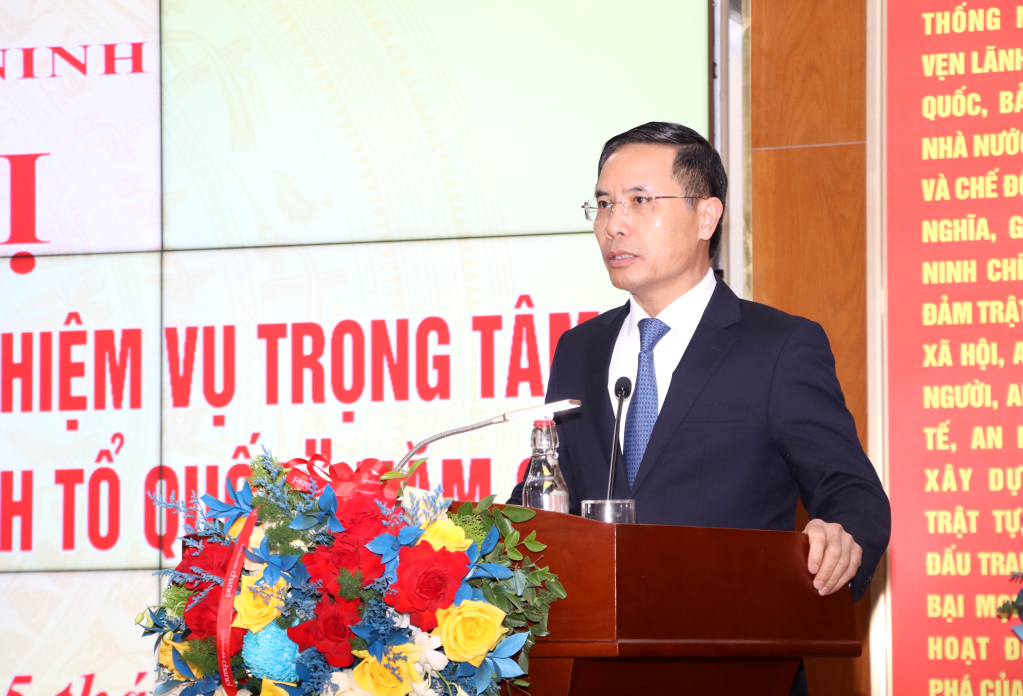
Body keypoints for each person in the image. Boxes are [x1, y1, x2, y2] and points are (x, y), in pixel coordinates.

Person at [507, 122, 890, 695]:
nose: (614, 224)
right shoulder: (579, 349)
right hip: (589, 670)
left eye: (640, 201)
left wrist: (842, 536)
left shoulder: (779, 346)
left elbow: (852, 489)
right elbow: (548, 493)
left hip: (737, 666)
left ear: (707, 217)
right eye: (604, 203)